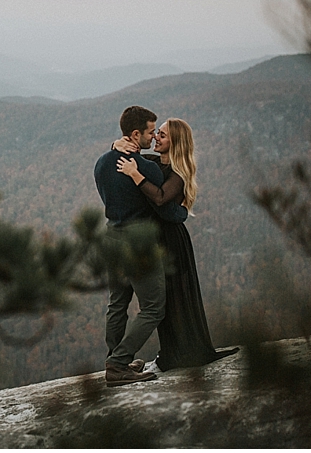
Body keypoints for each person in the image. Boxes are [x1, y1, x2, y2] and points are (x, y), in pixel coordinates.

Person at [115, 118, 238, 371]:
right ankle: (171, 351)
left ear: (176, 142)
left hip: (171, 241)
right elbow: (131, 153)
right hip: (155, 239)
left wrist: (135, 175)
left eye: (163, 135)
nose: (156, 138)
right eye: (157, 133)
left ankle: (186, 352)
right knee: (164, 299)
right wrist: (116, 143)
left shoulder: (179, 173)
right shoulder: (152, 162)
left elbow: (160, 198)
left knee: (177, 296)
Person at [93, 106, 190, 386]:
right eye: (150, 132)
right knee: (153, 307)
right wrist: (183, 213)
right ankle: (119, 362)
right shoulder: (147, 169)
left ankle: (115, 359)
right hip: (138, 241)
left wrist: (114, 146)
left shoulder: (101, 162)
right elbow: (165, 208)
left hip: (111, 235)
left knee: (118, 302)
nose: (153, 136)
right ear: (136, 134)